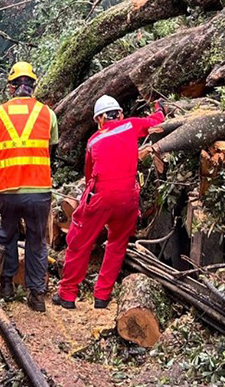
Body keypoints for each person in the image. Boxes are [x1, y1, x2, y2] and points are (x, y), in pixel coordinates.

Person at [52, 95, 165, 310]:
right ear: (120, 114)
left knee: (79, 243)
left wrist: (88, 199)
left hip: (101, 197)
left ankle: (67, 295)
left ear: (99, 119)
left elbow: (88, 175)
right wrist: (160, 107)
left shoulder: (94, 140)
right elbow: (155, 121)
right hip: (128, 198)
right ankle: (102, 296)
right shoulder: (131, 125)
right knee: (117, 244)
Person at [0, 61, 58, 312]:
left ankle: (7, 284)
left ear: (11, 87)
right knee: (37, 241)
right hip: (39, 190)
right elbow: (50, 150)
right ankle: (36, 295)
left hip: (7, 189)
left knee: (8, 235)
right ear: (33, 86)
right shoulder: (47, 114)